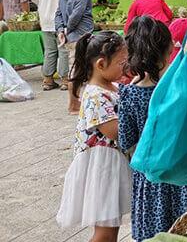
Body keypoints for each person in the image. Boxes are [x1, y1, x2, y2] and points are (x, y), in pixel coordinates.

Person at [119, 16, 187, 241]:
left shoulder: (128, 93)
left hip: (150, 180)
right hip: (184, 177)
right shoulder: (181, 90)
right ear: (169, 48)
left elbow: (127, 144)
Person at [56, 32, 131, 242]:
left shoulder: (112, 86)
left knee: (111, 229)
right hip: (103, 169)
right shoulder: (96, 95)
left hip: (111, 165)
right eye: (121, 62)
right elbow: (115, 132)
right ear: (100, 64)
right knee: (105, 233)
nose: (125, 66)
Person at [56, 0, 105, 113]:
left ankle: (78, 103)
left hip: (71, 38)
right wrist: (68, 29)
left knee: (77, 70)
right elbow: (76, 15)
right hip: (80, 38)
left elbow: (58, 14)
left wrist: (61, 31)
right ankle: (74, 105)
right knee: (77, 72)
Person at [31, 0, 74, 91]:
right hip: (62, 19)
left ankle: (48, 80)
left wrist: (44, 6)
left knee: (49, 51)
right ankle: (65, 80)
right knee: (63, 50)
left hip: (45, 18)